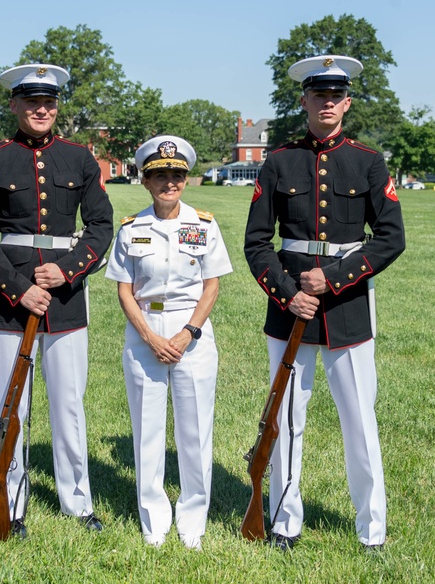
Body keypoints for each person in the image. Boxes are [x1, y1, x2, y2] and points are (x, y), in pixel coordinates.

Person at [243, 55, 405, 552]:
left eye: (337, 96)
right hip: (289, 310)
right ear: (304, 101)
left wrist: (331, 280)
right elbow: (256, 242)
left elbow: (390, 239)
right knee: (286, 418)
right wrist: (290, 294)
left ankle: (371, 529)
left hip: (348, 308)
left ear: (348, 102)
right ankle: (284, 522)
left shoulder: (368, 161)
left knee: (360, 420)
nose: (328, 103)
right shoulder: (278, 161)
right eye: (319, 95)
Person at [0, 63, 114, 538]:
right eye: (31, 102)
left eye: (49, 102)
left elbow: (100, 226)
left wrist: (68, 269)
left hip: (67, 299)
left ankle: (78, 501)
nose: (40, 109)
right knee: (10, 403)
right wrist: (18, 286)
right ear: (13, 105)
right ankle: (7, 502)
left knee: (69, 404)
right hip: (11, 301)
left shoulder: (79, 158)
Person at [105, 136, 233, 550]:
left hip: (191, 330)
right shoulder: (131, 229)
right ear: (145, 180)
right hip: (145, 330)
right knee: (147, 430)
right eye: (160, 175)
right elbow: (125, 291)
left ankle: (193, 519)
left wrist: (187, 333)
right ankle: (154, 519)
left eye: (176, 175)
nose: (169, 182)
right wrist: (150, 337)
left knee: (195, 430)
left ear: (186, 179)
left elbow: (211, 286)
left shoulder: (205, 225)